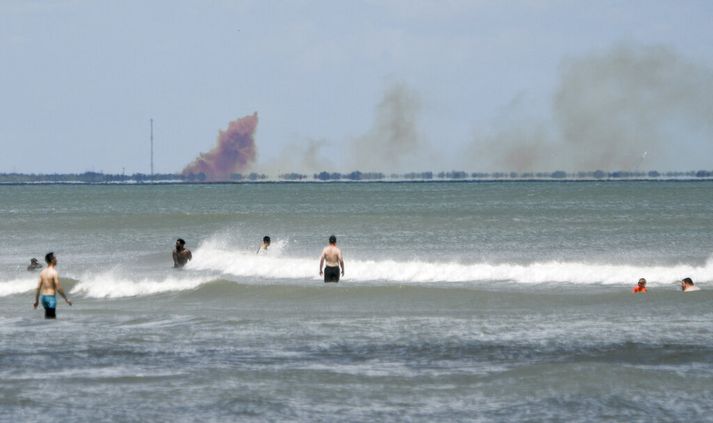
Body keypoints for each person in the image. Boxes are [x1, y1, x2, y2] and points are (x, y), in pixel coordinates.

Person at [33, 252, 71, 319]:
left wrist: (36, 301)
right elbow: (58, 288)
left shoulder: (43, 272)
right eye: (55, 258)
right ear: (52, 260)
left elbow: (38, 288)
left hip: (44, 298)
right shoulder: (54, 272)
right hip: (51, 298)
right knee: (52, 318)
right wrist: (66, 298)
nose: (57, 260)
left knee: (48, 317)